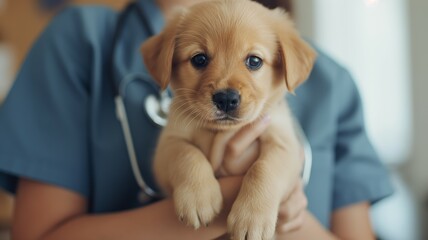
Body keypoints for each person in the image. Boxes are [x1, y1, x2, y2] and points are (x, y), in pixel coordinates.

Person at [0, 0, 393, 239]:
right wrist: (220, 194)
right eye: (199, 60)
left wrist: (274, 200)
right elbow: (171, 153)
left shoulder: (331, 82)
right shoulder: (80, 38)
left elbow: (284, 155)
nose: (224, 86)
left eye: (253, 62)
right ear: (165, 64)